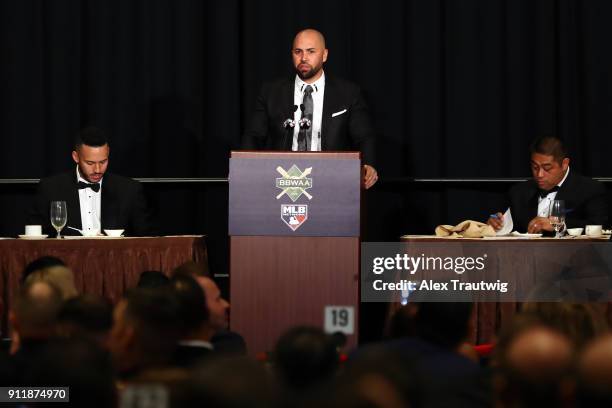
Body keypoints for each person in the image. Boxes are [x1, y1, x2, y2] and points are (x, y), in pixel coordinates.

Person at [243, 28, 378, 189]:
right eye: (298, 52)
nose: (303, 58)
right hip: (283, 180)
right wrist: (243, 167)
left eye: (311, 51)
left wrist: (368, 164)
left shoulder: (348, 93)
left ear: (325, 55)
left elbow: (364, 136)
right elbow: (254, 135)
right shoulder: (271, 92)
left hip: (332, 179)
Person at [28, 126, 155, 236]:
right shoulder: (50, 188)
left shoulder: (129, 190)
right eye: (90, 163)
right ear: (76, 157)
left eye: (103, 162)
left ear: (108, 153)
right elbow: (36, 238)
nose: (98, 169)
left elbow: (145, 240)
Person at [488, 136, 608, 234]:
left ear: (565, 164)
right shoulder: (519, 192)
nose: (539, 174)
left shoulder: (590, 189)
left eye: (547, 168)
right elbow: (510, 228)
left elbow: (600, 227)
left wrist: (558, 225)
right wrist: (497, 225)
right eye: (535, 167)